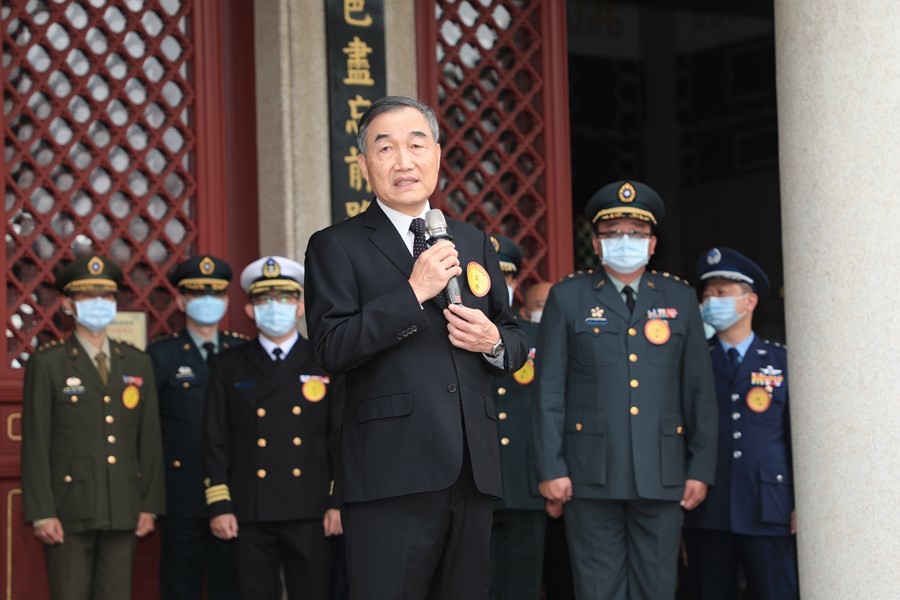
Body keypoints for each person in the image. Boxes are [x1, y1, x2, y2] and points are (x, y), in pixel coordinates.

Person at [304, 95, 528, 600]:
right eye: (385, 148)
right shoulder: (336, 245)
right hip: (390, 472)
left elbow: (514, 337)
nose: (403, 161)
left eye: (416, 144)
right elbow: (331, 347)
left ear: (438, 155)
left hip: (471, 470)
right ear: (364, 165)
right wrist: (412, 293)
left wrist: (492, 342)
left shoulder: (474, 242)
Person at [532, 180, 718, 600]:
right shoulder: (568, 297)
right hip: (588, 472)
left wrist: (701, 468)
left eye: (635, 234)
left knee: (657, 587)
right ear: (596, 244)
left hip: (664, 471)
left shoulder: (680, 297)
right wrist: (550, 466)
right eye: (613, 234)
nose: (624, 242)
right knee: (598, 588)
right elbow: (549, 392)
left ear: (652, 244)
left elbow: (699, 392)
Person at [21, 255, 166, 600]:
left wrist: (150, 504)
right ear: (69, 305)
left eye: (107, 297)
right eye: (87, 297)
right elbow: (36, 443)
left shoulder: (137, 362)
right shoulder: (48, 362)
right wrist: (42, 513)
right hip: (69, 509)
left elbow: (149, 439)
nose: (98, 304)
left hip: (123, 504)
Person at [203, 256, 343, 600]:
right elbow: (215, 439)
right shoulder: (227, 365)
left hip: (311, 507)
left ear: (300, 307)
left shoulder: (326, 361)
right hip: (251, 507)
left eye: (284, 299)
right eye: (264, 300)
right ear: (250, 310)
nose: (274, 307)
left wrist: (338, 501)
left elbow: (339, 437)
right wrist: (219, 505)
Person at [682, 247, 797, 599]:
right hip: (708, 507)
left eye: (722, 293)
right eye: (707, 294)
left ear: (750, 302)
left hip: (768, 504)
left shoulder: (781, 361)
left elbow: (796, 438)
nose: (711, 301)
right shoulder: (693, 359)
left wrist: (800, 503)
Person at [146, 255, 248, 600]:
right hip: (182, 493)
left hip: (234, 493)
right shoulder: (161, 356)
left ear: (226, 301)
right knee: (180, 584)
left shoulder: (240, 350)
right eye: (197, 294)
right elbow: (148, 428)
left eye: (216, 294)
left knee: (231, 584)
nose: (208, 302)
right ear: (180, 301)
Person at [488, 235, 548, 600]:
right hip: (474, 481)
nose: (497, 285)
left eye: (505, 277)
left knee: (522, 584)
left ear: (515, 283)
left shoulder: (538, 336)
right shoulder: (454, 331)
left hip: (527, 482)